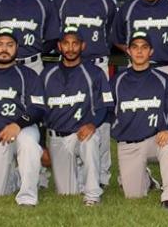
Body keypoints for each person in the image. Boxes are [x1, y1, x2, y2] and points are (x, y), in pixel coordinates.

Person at [53, 0, 118, 187]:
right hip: (69, 66)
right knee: (70, 114)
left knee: (100, 121)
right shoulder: (61, 1)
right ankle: (74, 172)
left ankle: (101, 176)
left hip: (97, 65)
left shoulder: (106, 2)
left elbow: (110, 35)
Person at [0, 26, 46, 206]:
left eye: (9, 45)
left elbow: (38, 107)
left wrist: (18, 124)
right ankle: (18, 175)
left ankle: (27, 197)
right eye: (0, 44)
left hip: (22, 129)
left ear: (17, 48)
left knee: (29, 144)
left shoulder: (28, 74)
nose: (4, 49)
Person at [40, 26, 113, 206]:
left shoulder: (94, 72)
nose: (70, 48)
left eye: (75, 44)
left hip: (81, 133)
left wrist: (92, 124)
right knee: (67, 193)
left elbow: (106, 106)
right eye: (66, 43)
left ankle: (93, 195)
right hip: (57, 137)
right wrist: (42, 146)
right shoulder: (47, 74)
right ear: (59, 46)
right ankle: (80, 176)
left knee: (90, 140)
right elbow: (39, 112)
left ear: (83, 46)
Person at [111, 30, 168, 210]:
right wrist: (117, 128)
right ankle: (148, 180)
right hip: (129, 143)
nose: (139, 52)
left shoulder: (164, 79)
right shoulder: (116, 81)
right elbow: (106, 110)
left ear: (151, 52)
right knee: (133, 196)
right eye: (135, 47)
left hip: (155, 139)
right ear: (128, 51)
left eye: (144, 47)